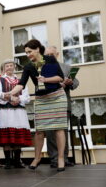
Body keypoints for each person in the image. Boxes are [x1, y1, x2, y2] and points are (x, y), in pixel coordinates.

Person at [10, 39, 67, 172]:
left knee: (59, 128)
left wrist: (46, 79)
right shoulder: (28, 67)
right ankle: (37, 158)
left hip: (57, 97)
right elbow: (21, 84)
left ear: (37, 49)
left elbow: (60, 78)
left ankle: (60, 158)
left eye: (29, 51)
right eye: (26, 53)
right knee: (39, 130)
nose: (28, 54)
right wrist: (9, 93)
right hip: (41, 99)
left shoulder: (50, 60)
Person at [44, 46, 79, 168]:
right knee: (49, 133)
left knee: (63, 132)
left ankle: (64, 158)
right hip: (47, 104)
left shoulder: (66, 67)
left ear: (57, 54)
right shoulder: (41, 67)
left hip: (63, 104)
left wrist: (70, 82)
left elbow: (76, 82)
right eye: (47, 54)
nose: (49, 56)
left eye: (51, 54)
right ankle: (54, 159)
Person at [0, 59, 32, 169]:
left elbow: (27, 96)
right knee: (7, 136)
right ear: (4, 68)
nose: (9, 67)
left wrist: (19, 99)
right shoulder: (0, 80)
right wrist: (10, 99)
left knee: (17, 136)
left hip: (18, 112)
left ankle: (16, 161)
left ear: (14, 67)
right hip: (6, 112)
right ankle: (7, 162)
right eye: (7, 66)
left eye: (11, 65)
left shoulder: (21, 81)